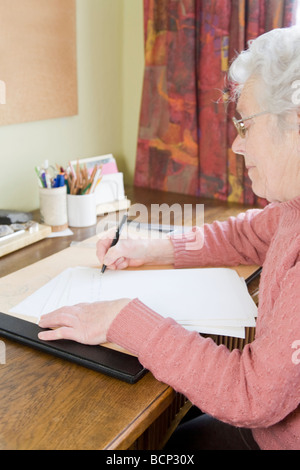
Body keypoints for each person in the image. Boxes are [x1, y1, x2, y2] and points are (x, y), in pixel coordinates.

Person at [38, 27, 300, 450]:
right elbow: (245, 234)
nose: (236, 144)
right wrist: (151, 248)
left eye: (245, 125)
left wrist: (120, 317)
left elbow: (249, 393)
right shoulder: (294, 208)